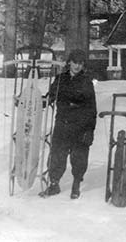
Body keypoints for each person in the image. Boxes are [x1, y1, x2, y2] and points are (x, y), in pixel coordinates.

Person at [39, 49, 97, 199]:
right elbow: (50, 97)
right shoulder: (60, 79)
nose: (77, 66)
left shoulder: (86, 81)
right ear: (69, 62)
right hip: (63, 123)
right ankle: (54, 184)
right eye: (75, 62)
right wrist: (33, 102)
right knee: (57, 155)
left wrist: (89, 130)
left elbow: (92, 109)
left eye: (80, 63)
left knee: (79, 157)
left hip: (80, 125)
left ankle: (76, 184)